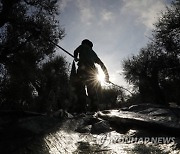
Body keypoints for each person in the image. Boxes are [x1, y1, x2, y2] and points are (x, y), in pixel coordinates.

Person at [74, 39, 109, 112]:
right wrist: (106, 76)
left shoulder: (82, 46)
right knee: (91, 90)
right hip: (91, 72)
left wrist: (75, 58)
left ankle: (82, 108)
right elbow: (101, 64)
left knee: (81, 89)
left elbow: (75, 51)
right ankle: (94, 108)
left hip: (82, 70)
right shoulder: (93, 53)